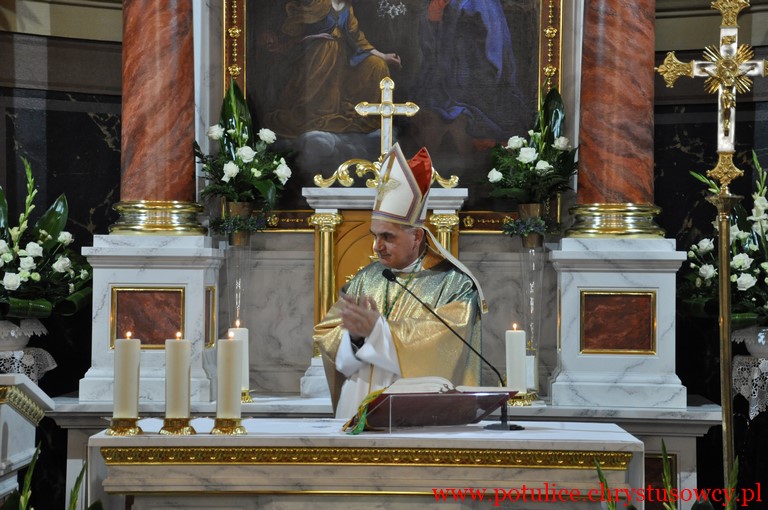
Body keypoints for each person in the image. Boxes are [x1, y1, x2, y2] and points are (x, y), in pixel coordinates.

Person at [313, 143, 488, 419]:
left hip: (421, 418)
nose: (376, 247)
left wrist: (379, 331)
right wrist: (354, 338)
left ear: (417, 236)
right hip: (358, 412)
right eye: (374, 236)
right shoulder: (366, 278)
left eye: (387, 237)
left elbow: (444, 346)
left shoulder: (456, 285)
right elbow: (327, 333)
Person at [262, 0, 401, 137]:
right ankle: (320, 110)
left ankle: (363, 111)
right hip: (317, 57)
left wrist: (384, 56)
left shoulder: (347, 9)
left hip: (343, 61)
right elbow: (296, 27)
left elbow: (358, 39)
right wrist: (316, 37)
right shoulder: (318, 3)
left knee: (377, 65)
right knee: (328, 47)